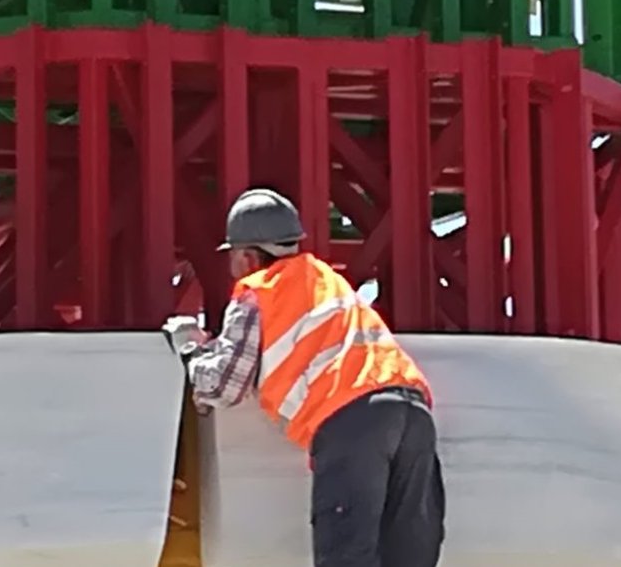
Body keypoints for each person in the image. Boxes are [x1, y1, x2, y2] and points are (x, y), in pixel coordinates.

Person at [164, 188, 446, 567]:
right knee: (409, 556)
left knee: (347, 556)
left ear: (247, 256)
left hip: (352, 422)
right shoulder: (326, 281)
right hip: (413, 415)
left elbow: (224, 385)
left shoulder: (258, 293)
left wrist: (188, 350)